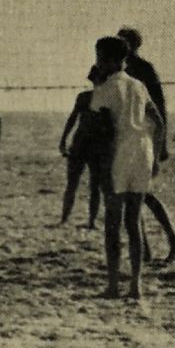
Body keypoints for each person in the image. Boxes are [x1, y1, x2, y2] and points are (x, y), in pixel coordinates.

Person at [90, 35, 164, 299]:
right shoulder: (139, 85)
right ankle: (136, 285)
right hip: (142, 151)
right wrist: (154, 157)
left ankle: (112, 285)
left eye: (98, 58)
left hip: (119, 153)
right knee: (133, 223)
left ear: (108, 60)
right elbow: (157, 120)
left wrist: (104, 167)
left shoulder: (106, 88)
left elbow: (105, 131)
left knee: (113, 223)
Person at [117, 27, 175, 264]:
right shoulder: (117, 70)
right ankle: (144, 249)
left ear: (134, 45)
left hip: (143, 138)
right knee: (129, 196)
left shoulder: (144, 69)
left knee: (143, 194)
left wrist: (161, 143)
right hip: (124, 139)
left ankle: (173, 240)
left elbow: (159, 109)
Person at [58, 67, 107, 228]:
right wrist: (63, 140)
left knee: (93, 185)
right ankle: (65, 218)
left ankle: (90, 221)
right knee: (74, 184)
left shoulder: (108, 99)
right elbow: (72, 119)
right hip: (81, 145)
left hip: (96, 147)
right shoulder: (85, 97)